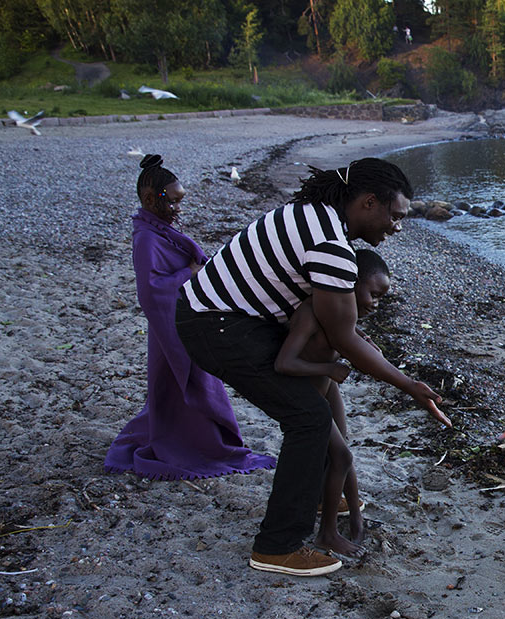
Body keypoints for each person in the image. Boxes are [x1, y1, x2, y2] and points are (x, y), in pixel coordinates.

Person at [175, 157, 450, 577]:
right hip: (216, 325)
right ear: (368, 202)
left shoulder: (312, 213)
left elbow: (339, 328)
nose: (397, 228)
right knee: (308, 419)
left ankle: (320, 497)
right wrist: (410, 385)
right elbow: (343, 338)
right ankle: (277, 546)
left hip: (220, 313)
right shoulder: (331, 246)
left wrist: (355, 345)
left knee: (319, 403)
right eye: (395, 217)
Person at [106, 155, 275, 481]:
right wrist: (190, 273)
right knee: (187, 383)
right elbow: (151, 292)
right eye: (172, 201)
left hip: (180, 318)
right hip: (170, 325)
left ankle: (199, 438)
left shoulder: (160, 230)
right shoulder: (146, 239)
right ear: (149, 199)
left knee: (183, 385)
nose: (177, 209)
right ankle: (195, 444)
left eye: (180, 202)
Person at [273, 248, 393, 557]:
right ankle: (327, 533)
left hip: (326, 389)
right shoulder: (311, 312)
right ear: (350, 283)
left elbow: (346, 334)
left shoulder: (342, 316)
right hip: (307, 393)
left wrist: (364, 341)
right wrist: (328, 368)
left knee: (344, 451)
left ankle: (355, 519)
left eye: (381, 299)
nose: (375, 304)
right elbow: (284, 363)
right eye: (373, 295)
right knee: (340, 456)